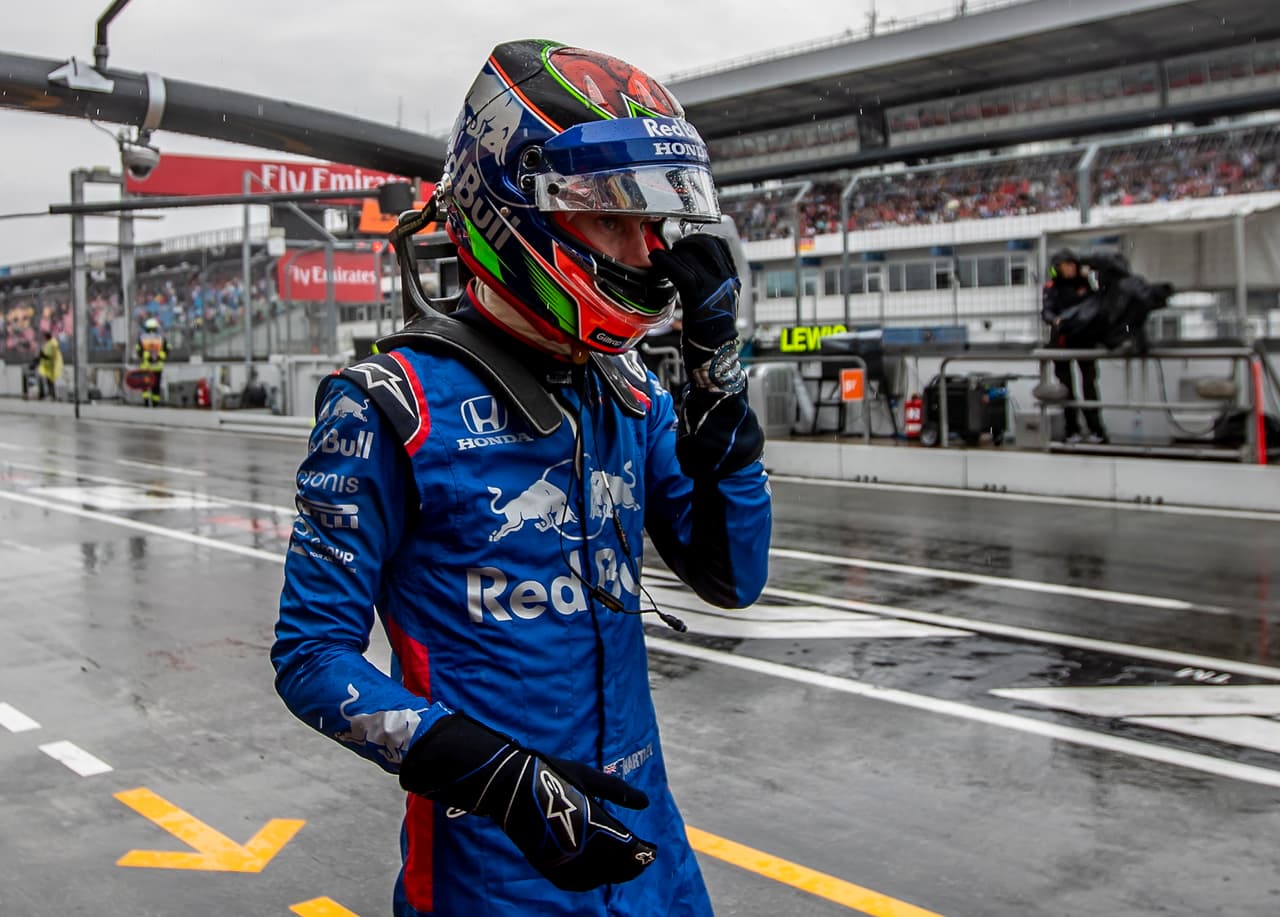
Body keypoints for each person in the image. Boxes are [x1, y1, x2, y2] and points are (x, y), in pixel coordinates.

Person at [272, 39, 772, 917]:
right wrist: (503, 781)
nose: (648, 252)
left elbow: (734, 575)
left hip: (649, 853)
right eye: (614, 220)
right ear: (516, 211)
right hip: (489, 871)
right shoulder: (389, 406)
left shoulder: (629, 388)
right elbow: (311, 658)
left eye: (655, 224)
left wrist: (716, 381)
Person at [1041, 248, 1107, 444]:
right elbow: (1046, 312)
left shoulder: (1085, 285)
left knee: (1089, 386)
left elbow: (1097, 304)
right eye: (1065, 266)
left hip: (1084, 342)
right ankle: (1072, 429)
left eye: (1072, 265)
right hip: (1062, 343)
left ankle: (1097, 429)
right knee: (1066, 388)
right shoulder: (1052, 287)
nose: (1070, 269)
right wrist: (1057, 321)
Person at [135, 317, 168, 406]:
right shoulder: (161, 338)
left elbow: (139, 351)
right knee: (156, 386)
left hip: (146, 366)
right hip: (157, 366)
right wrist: (159, 357)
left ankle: (146, 402)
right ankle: (155, 403)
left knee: (145, 385)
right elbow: (166, 350)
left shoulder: (142, 338)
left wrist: (147, 356)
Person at [36, 331, 63, 400]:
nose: (44, 338)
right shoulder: (48, 343)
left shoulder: (52, 343)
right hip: (46, 366)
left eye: (44, 337)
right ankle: (47, 395)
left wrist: (43, 355)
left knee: (49, 381)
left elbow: (52, 355)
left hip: (50, 366)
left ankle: (50, 395)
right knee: (47, 381)